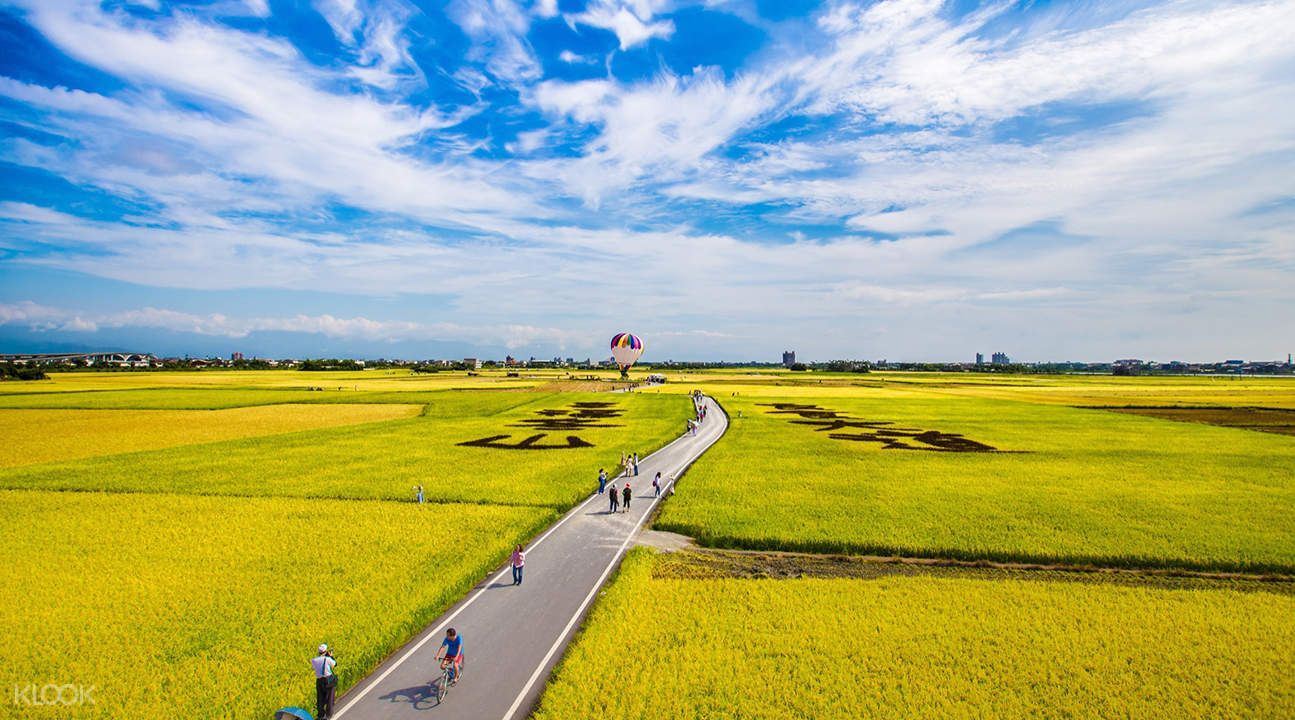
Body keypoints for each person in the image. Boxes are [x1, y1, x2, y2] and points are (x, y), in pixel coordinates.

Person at [312, 644, 338, 720]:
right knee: (330, 697)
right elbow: (335, 664)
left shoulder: (314, 660)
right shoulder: (327, 659)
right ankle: (329, 715)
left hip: (319, 681)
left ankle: (320, 715)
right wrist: (330, 656)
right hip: (328, 680)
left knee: (320, 698)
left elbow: (314, 668)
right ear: (325, 651)